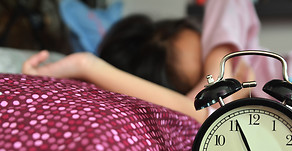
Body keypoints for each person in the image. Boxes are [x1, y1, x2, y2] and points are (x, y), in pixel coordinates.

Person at [22, 0, 257, 124]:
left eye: (209, 57)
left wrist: (219, 63)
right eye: (202, 81)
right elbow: (195, 112)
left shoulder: (237, 48)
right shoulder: (216, 114)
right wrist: (85, 65)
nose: (224, 85)